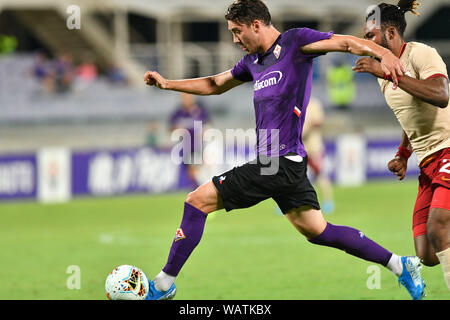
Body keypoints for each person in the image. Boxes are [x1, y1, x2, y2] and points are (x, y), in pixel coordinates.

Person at [143, 0, 424, 300]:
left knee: (196, 202)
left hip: (277, 163)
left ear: (256, 25)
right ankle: (400, 264)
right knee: (319, 231)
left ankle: (162, 286)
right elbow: (214, 83)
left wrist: (382, 53)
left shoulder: (294, 42)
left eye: (237, 32)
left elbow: (344, 42)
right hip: (284, 165)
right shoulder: (253, 62)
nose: (235, 39)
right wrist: (169, 84)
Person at [353, 0, 450, 291]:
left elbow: (441, 94)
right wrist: (403, 153)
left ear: (391, 32)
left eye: (371, 36)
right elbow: (409, 115)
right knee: (427, 253)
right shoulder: (385, 74)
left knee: (438, 226)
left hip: (448, 148)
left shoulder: (421, 54)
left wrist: (388, 74)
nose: (367, 42)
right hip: (426, 162)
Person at [169, 93, 211, 190]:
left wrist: (204, 133)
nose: (187, 100)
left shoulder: (200, 112)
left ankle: (197, 189)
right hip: (184, 147)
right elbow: (170, 128)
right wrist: (177, 129)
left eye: (189, 97)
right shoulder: (178, 113)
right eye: (184, 98)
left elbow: (208, 126)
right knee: (190, 171)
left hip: (197, 146)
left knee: (194, 169)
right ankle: (197, 189)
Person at [302, 97, 334, 214]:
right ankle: (290, 204)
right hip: (299, 146)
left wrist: (303, 132)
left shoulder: (314, 104)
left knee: (319, 173)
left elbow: (318, 121)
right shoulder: (295, 102)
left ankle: (328, 201)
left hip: (313, 147)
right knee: (294, 175)